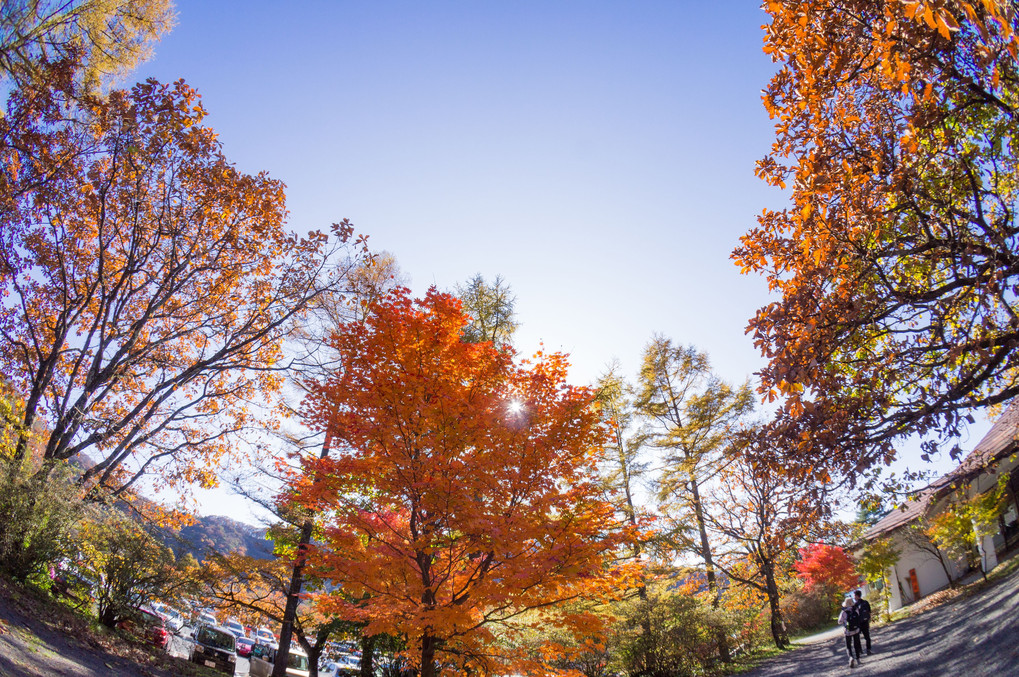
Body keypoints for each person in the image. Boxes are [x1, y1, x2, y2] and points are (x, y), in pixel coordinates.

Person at [838, 597, 863, 668]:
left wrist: (845, 621)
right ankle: (858, 659)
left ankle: (851, 657)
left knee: (848, 646)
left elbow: (839, 621)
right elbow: (858, 617)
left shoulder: (844, 612)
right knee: (856, 644)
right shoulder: (855, 609)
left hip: (848, 631)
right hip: (856, 630)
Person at [853, 589, 872, 655]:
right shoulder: (865, 602)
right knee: (867, 637)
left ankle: (860, 650)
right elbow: (869, 611)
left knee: (857, 637)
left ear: (857, 596)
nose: (854, 597)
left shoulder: (855, 605)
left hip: (858, 623)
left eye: (854, 596)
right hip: (865, 622)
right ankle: (868, 649)